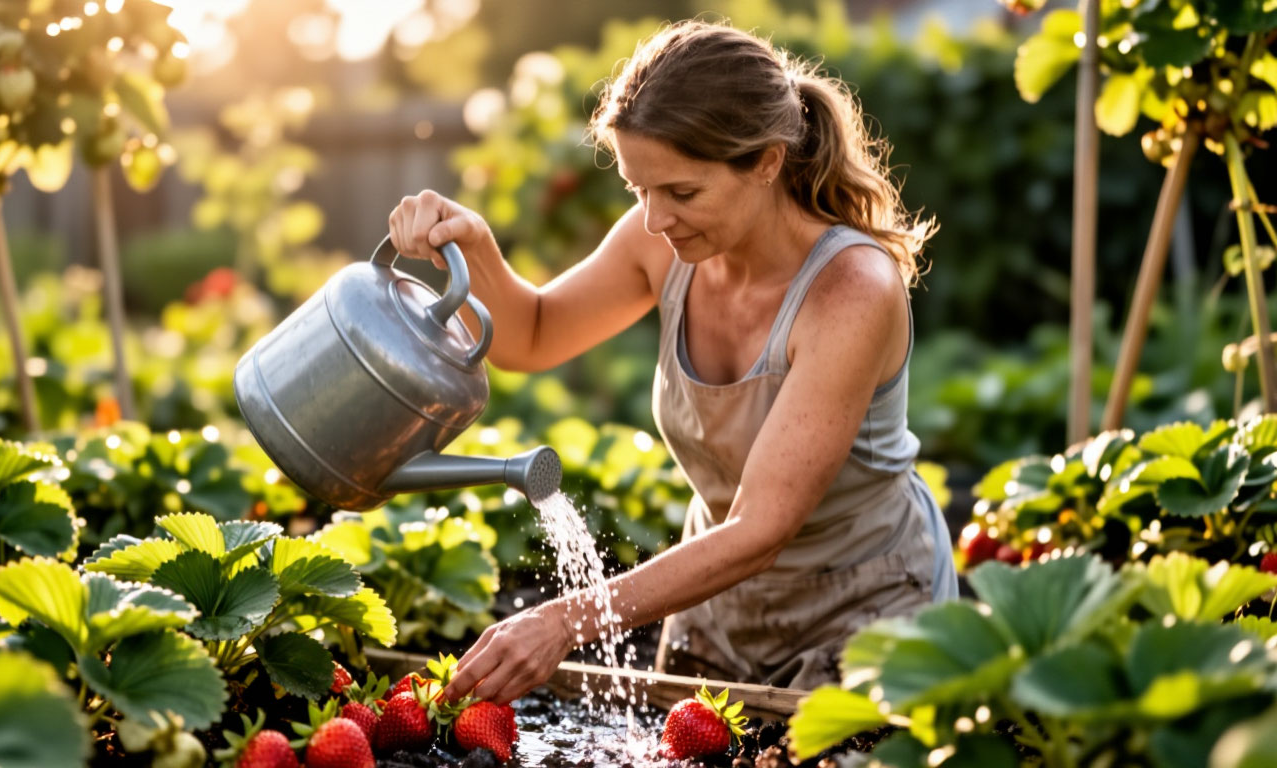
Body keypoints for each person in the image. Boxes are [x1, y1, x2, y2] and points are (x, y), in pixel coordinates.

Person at [387, 19, 959, 702]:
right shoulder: (662, 242)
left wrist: (567, 620)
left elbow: (761, 528)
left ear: (768, 162)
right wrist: (474, 246)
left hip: (863, 608)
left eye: (681, 192)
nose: (655, 218)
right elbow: (533, 335)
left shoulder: (850, 291)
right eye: (639, 189)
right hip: (717, 601)